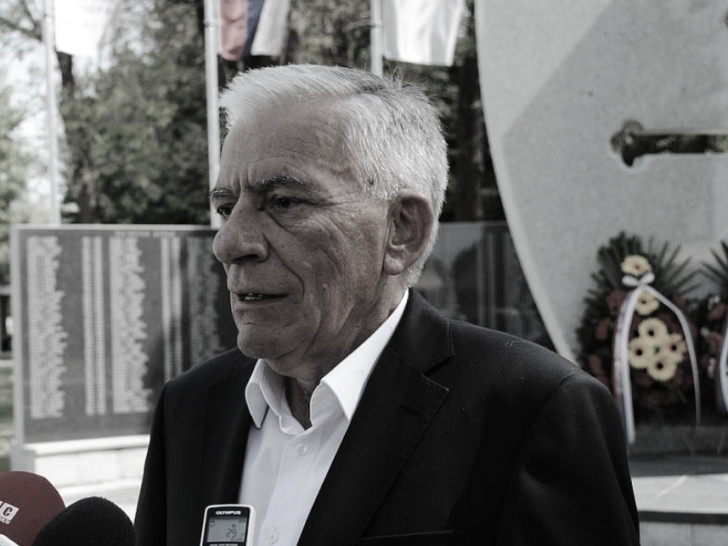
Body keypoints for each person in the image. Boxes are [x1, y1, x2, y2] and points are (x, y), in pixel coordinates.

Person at [134, 64, 640, 546]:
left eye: (284, 202)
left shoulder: (532, 412)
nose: (229, 243)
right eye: (226, 208)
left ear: (402, 230)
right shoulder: (190, 410)